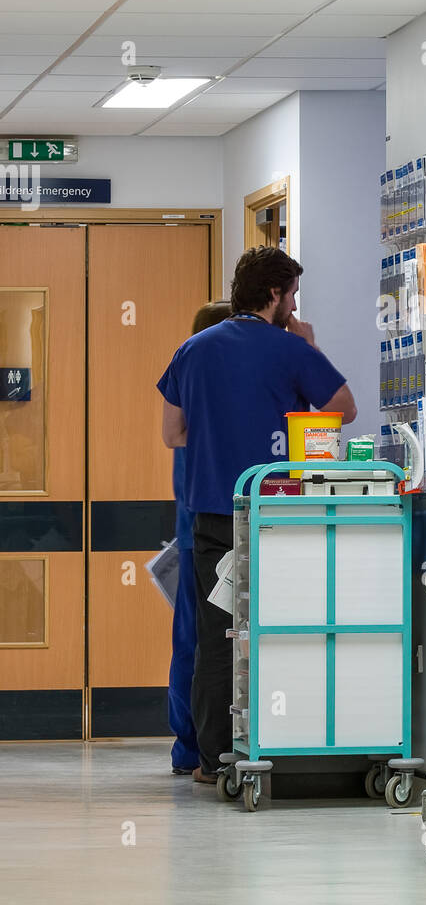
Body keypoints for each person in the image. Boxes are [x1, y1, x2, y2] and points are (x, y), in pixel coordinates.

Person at [156, 248, 356, 784]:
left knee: (217, 636)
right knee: (287, 630)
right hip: (278, 517)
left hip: (212, 521)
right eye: (292, 294)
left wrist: (222, 431)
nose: (294, 304)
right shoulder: (291, 349)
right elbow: (343, 409)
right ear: (275, 295)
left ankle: (211, 759)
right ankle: (286, 742)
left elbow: (173, 434)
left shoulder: (191, 350)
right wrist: (308, 349)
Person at [168, 300, 232, 776]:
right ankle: (194, 746)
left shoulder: (198, 404)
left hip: (198, 536)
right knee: (200, 642)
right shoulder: (201, 417)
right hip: (201, 536)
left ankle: (194, 746)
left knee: (197, 641)